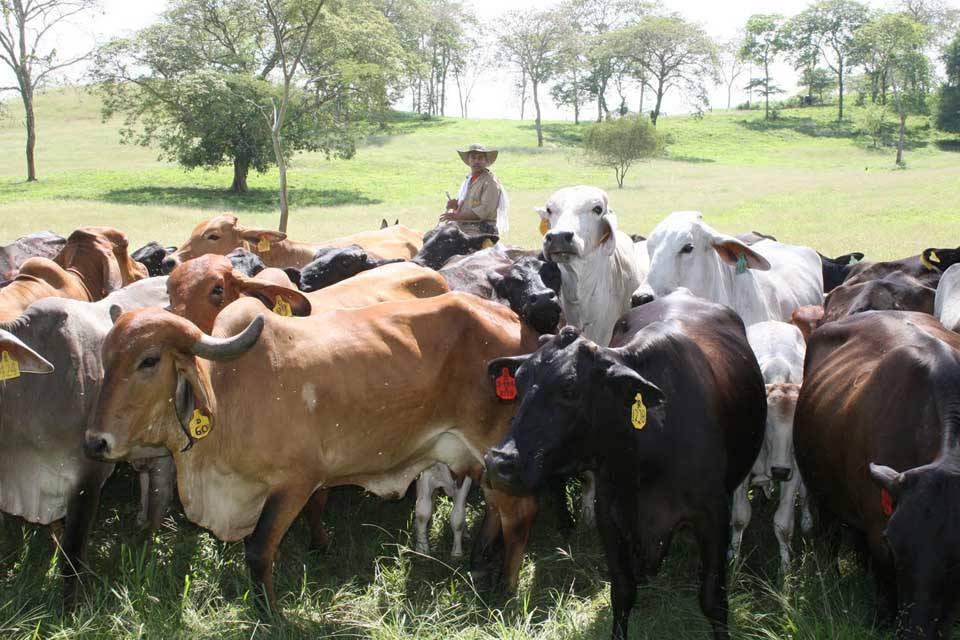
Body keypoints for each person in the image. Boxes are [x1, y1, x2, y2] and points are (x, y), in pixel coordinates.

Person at [440, 143, 509, 236]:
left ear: (486, 161)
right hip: (463, 226)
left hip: (480, 230)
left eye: (480, 158)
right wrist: (456, 207)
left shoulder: (490, 182)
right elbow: (469, 206)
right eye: (473, 158)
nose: (476, 161)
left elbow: (483, 212)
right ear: (468, 161)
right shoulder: (469, 179)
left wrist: (456, 216)